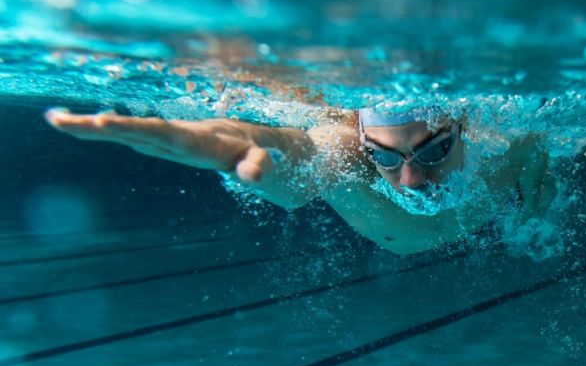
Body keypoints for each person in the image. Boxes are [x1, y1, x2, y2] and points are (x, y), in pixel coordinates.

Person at [44, 106, 557, 255]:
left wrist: (533, 230)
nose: (410, 179)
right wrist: (237, 147)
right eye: (382, 156)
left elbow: (540, 197)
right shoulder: (342, 151)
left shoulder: (515, 145)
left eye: (436, 150)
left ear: (463, 127)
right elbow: (306, 157)